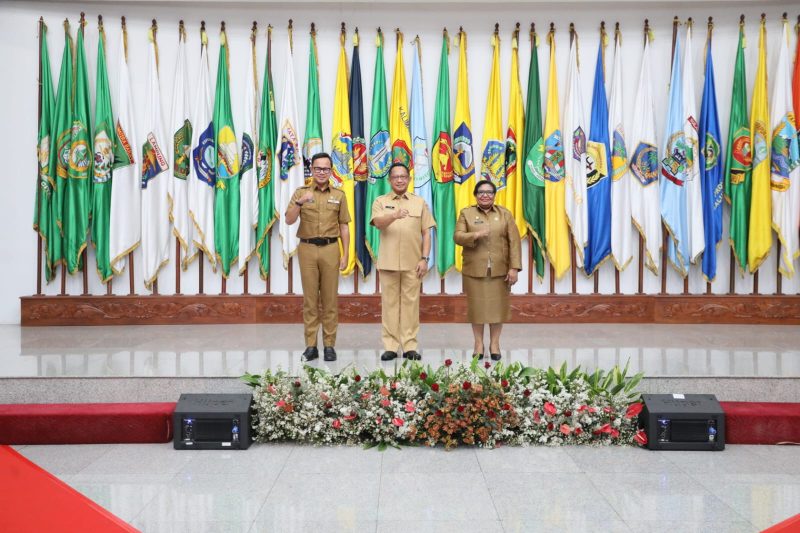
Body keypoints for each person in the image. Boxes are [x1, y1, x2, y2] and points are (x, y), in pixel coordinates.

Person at [285, 152, 351, 362]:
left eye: (326, 169)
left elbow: (344, 226)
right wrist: (300, 203)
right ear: (312, 170)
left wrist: (346, 253)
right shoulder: (301, 192)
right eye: (318, 168)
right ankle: (311, 346)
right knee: (310, 300)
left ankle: (329, 345)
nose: (322, 172)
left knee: (330, 300)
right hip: (307, 249)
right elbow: (288, 220)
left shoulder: (339, 195)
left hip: (331, 248)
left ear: (331, 171)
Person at [370, 162, 436, 361]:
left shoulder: (419, 202)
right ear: (389, 180)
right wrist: (394, 215)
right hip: (388, 262)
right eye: (395, 177)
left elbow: (427, 232)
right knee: (389, 305)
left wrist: (425, 259)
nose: (399, 179)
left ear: (409, 179)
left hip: (413, 263)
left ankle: (409, 346)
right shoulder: (380, 201)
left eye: (403, 176)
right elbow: (378, 223)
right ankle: (390, 346)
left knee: (411, 305)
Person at [454, 179, 522, 361]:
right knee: (476, 309)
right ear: (475, 195)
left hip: (500, 270)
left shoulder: (505, 214)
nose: (485, 195)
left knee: (497, 309)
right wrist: (475, 234)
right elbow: (458, 237)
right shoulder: (466, 213)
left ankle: (494, 344)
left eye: (489, 192)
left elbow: (514, 242)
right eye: (481, 192)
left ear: (494, 195)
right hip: (474, 269)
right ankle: (478, 344)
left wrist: (514, 267)